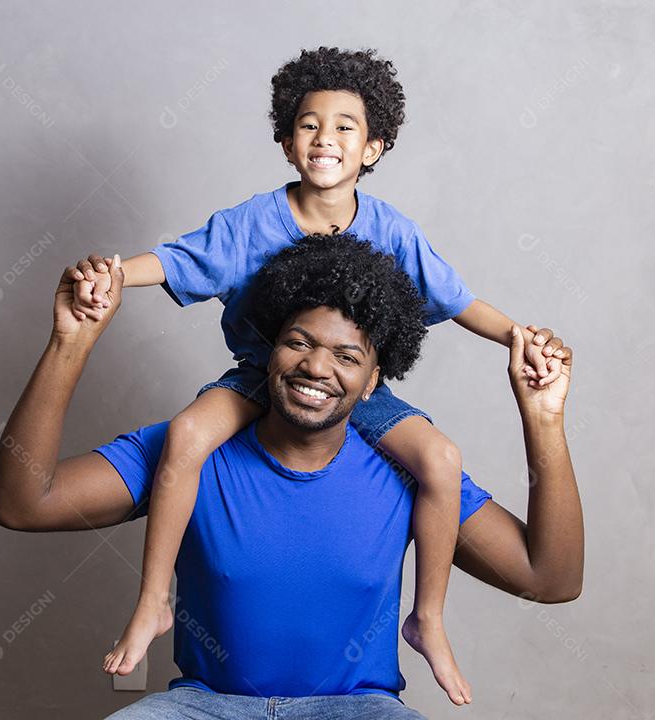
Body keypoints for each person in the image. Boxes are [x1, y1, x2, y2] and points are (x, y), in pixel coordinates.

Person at [69, 47, 568, 706]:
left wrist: (518, 335)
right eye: (308, 124)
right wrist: (112, 274)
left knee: (442, 460)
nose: (324, 139)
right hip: (263, 377)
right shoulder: (254, 221)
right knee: (188, 435)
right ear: (285, 140)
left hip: (357, 392)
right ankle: (155, 602)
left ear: (374, 147)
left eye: (344, 127)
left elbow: (456, 298)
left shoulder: (391, 228)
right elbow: (175, 258)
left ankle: (429, 620)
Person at [0, 234, 584, 718]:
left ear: (375, 381)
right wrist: (71, 341)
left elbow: (549, 579)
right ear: (269, 350)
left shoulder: (411, 473)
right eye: (299, 342)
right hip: (205, 707)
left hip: (357, 712)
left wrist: (544, 420)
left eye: (348, 356)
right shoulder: (188, 454)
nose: (317, 366)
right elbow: (21, 503)